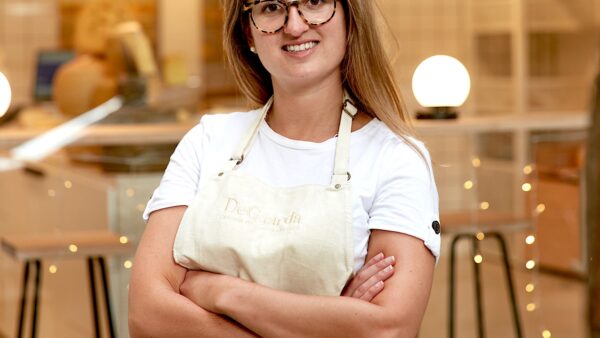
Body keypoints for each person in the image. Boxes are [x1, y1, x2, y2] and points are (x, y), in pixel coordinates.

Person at [128, 0, 440, 337]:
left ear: (350, 19)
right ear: (248, 31)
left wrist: (222, 292)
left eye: (315, 2)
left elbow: (388, 329)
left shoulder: (397, 158)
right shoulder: (207, 141)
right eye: (271, 7)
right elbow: (147, 315)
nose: (294, 26)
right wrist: (328, 322)